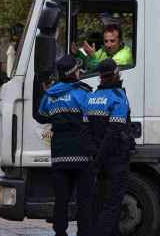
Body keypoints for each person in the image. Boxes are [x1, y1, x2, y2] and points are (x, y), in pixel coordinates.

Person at [38, 54, 95, 236]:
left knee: (61, 200)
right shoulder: (83, 93)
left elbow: (42, 114)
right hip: (82, 154)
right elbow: (92, 118)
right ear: (73, 72)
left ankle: (60, 233)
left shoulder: (50, 95)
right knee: (84, 200)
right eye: (78, 69)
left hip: (59, 154)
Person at [85, 58, 133, 236]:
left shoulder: (91, 98)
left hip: (96, 159)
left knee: (98, 201)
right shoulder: (118, 97)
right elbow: (114, 133)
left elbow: (86, 130)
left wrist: (95, 158)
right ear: (116, 73)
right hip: (115, 159)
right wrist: (101, 158)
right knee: (113, 204)